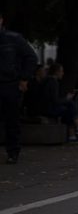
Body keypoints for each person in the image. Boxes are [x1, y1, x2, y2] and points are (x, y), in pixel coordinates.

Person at [0, 13, 39, 164]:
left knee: (12, 119)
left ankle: (13, 151)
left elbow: (31, 57)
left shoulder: (14, 39)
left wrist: (24, 78)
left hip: (10, 83)